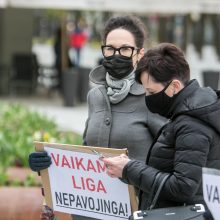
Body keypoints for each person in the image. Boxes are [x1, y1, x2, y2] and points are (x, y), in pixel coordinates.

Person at [29, 15, 166, 220]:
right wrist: (49, 165)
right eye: (110, 48)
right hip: (91, 214)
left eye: (125, 49)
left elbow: (171, 161)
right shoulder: (95, 96)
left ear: (140, 54)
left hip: (138, 211)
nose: (116, 55)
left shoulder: (152, 97)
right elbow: (86, 153)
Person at [100, 43, 220, 217]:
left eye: (151, 91)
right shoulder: (189, 113)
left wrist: (129, 168)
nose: (148, 98)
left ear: (175, 86)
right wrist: (127, 168)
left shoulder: (192, 124)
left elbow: (183, 187)